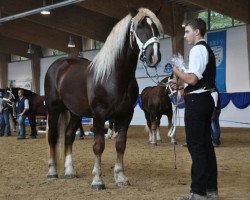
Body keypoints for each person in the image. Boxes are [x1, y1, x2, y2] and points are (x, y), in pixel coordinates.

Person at [172, 18, 218, 200]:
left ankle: (198, 192)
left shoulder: (198, 49)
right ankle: (210, 189)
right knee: (206, 146)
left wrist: (177, 73)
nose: (185, 35)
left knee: (197, 147)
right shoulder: (205, 49)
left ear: (197, 32)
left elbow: (192, 79)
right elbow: (194, 81)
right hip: (204, 99)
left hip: (197, 102)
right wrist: (181, 87)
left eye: (187, 31)